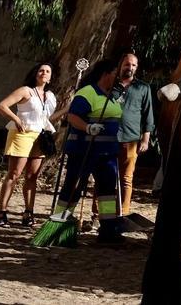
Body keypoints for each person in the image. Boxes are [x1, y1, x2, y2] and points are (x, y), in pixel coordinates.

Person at [54, 59, 125, 243]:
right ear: (106, 73)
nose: (118, 79)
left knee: (108, 192)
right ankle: (57, 227)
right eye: (115, 74)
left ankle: (108, 230)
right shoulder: (87, 93)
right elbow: (72, 116)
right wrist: (87, 127)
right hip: (84, 150)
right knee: (73, 188)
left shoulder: (112, 96)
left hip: (107, 153)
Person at [0, 62, 59, 226]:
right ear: (35, 73)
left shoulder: (50, 96)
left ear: (51, 77)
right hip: (22, 134)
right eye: (41, 70)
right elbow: (2, 106)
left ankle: (28, 213)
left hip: (40, 136)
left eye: (47, 71)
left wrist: (68, 109)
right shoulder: (25, 91)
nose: (44, 73)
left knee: (32, 176)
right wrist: (16, 119)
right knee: (14, 173)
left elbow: (46, 119)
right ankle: (1, 212)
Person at [110, 53, 153, 216]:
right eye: (127, 64)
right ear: (121, 65)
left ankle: (122, 213)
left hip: (131, 138)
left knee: (126, 179)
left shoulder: (143, 87)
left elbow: (148, 114)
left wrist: (146, 139)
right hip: (108, 137)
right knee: (106, 178)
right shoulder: (111, 84)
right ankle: (101, 215)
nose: (130, 68)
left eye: (134, 65)